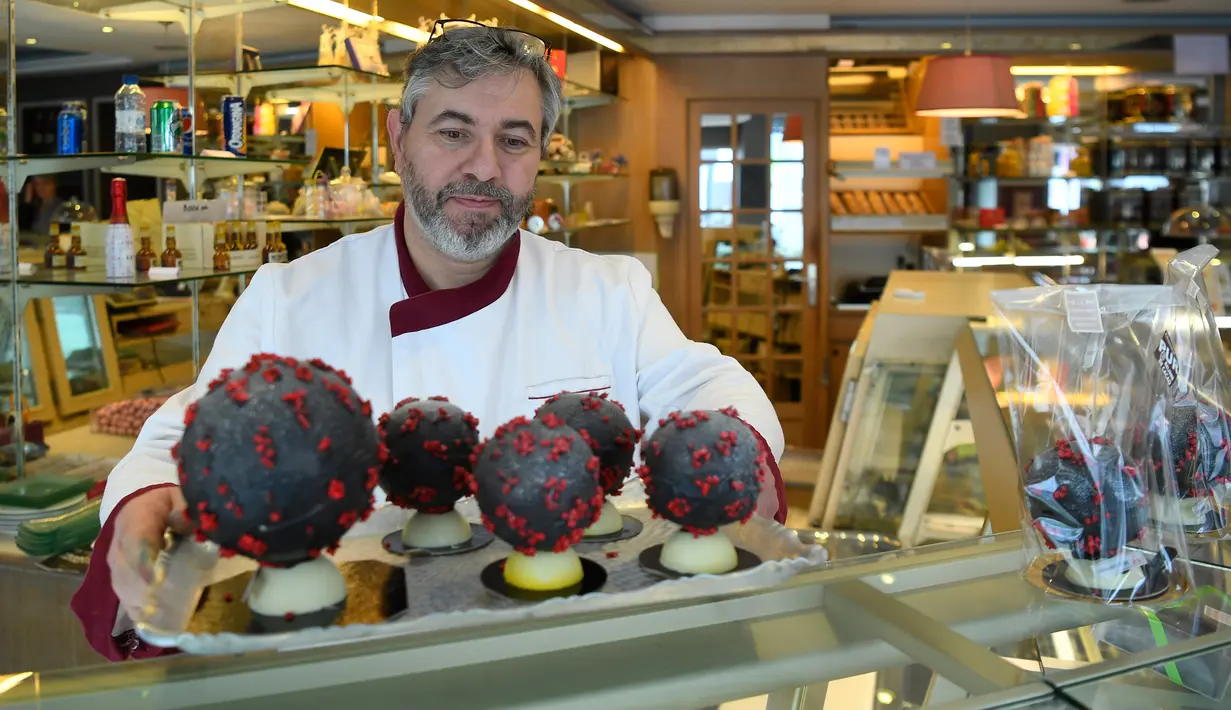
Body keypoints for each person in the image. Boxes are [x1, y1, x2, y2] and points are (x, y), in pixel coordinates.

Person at [71, 21, 788, 661]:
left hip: (564, 650)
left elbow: (708, 390)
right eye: (453, 132)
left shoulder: (607, 290)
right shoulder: (288, 297)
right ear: (395, 140)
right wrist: (149, 500)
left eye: (514, 139)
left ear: (540, 153)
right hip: (350, 659)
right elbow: (186, 439)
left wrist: (732, 474)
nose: (483, 166)